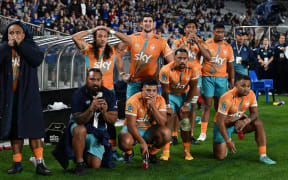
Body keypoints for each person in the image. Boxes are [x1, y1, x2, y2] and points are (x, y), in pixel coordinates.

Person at [0, 21, 51, 175]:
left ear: (24, 34)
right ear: (6, 35)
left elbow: (36, 59)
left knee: (34, 131)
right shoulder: (4, 49)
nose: (13, 35)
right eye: (10, 33)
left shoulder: (31, 47)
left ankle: (40, 163)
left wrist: (20, 44)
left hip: (29, 97)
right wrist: (6, 46)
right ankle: (17, 163)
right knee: (15, 131)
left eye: (17, 32)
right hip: (10, 98)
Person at [72, 25, 130, 161]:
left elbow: (128, 41)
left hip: (109, 91)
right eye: (99, 36)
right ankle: (86, 147)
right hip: (91, 91)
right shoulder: (88, 49)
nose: (103, 38)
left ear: (108, 38)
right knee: (89, 118)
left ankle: (113, 150)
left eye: (105, 36)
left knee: (110, 121)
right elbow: (75, 37)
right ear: (95, 38)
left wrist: (110, 30)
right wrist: (94, 29)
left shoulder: (113, 50)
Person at [213, 74, 276, 165]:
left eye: (248, 86)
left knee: (258, 123)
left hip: (238, 122)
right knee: (220, 156)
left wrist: (245, 121)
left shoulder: (251, 94)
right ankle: (222, 144)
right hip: (224, 125)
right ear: (236, 85)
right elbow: (219, 121)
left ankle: (263, 156)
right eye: (243, 86)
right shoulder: (226, 98)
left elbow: (255, 113)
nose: (246, 89)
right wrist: (228, 141)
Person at [69, 68, 118, 175]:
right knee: (79, 130)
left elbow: (113, 120)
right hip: (81, 128)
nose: (95, 83)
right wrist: (91, 109)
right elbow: (78, 120)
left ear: (102, 80)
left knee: (95, 165)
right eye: (92, 79)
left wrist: (105, 112)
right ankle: (79, 163)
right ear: (87, 79)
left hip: (98, 131)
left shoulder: (109, 94)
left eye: (98, 80)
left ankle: (83, 152)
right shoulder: (79, 94)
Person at [117, 13, 174, 100]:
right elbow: (118, 56)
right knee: (130, 111)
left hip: (151, 84)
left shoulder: (161, 41)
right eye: (145, 21)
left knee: (150, 111)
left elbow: (172, 62)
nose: (148, 23)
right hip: (133, 82)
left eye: (150, 21)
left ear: (153, 24)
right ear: (141, 24)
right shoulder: (132, 38)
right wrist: (122, 74)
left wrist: (162, 75)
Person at [173, 20, 211, 145]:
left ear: (196, 30)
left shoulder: (201, 42)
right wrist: (186, 42)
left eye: (193, 27)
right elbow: (174, 55)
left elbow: (208, 57)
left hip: (195, 77)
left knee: (193, 107)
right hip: (180, 76)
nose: (191, 29)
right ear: (184, 30)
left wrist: (198, 43)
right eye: (188, 27)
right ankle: (174, 135)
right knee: (178, 107)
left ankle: (191, 135)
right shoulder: (178, 41)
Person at [159, 48, 200, 161]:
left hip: (183, 95)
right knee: (168, 120)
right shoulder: (165, 70)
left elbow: (193, 88)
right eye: (179, 58)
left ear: (188, 59)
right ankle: (165, 152)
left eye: (184, 58)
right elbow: (164, 91)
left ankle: (187, 152)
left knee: (185, 122)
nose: (182, 61)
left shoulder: (193, 69)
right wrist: (167, 106)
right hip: (169, 96)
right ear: (174, 58)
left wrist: (186, 103)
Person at [118, 78, 170, 164]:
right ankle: (129, 153)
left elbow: (162, 123)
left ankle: (152, 154)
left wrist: (153, 106)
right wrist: (142, 142)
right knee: (124, 140)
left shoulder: (160, 100)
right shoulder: (133, 100)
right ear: (142, 90)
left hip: (149, 130)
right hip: (134, 129)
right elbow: (130, 125)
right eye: (148, 90)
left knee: (166, 133)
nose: (151, 93)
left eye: (154, 91)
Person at [197, 23, 235, 142]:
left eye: (222, 32)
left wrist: (232, 81)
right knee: (207, 105)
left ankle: (217, 128)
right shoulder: (206, 44)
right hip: (208, 77)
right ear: (213, 32)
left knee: (219, 106)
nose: (220, 34)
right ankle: (203, 133)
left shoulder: (228, 47)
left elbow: (231, 66)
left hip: (222, 79)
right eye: (217, 32)